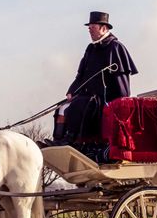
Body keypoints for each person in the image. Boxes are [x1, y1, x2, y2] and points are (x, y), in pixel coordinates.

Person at [55, 11, 138, 147]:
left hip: (103, 100)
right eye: (89, 28)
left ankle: (72, 139)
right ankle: (58, 139)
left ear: (104, 28)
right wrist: (71, 91)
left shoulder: (116, 47)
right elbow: (81, 75)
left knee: (77, 106)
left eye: (92, 27)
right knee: (62, 107)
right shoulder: (91, 49)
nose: (89, 30)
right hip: (85, 95)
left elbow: (122, 84)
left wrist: (119, 103)